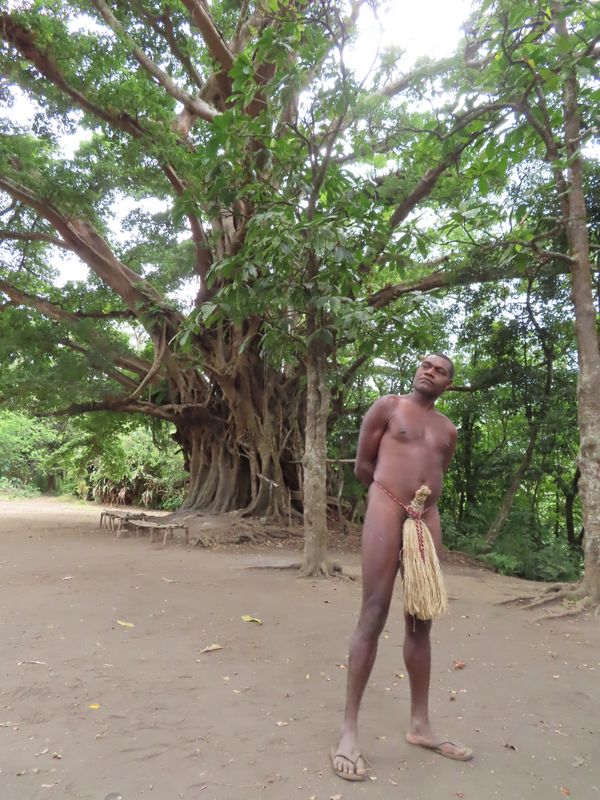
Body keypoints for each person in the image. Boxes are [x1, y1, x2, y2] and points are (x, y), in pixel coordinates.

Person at [331, 353, 472, 782]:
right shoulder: (387, 407)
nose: (430, 371)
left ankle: (420, 726)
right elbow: (363, 466)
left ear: (448, 384)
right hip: (386, 505)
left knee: (420, 623)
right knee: (373, 613)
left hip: (425, 518)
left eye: (440, 370)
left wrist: (418, 511)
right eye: (426, 365)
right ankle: (349, 732)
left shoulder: (448, 430)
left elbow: (436, 472)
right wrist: (389, 501)